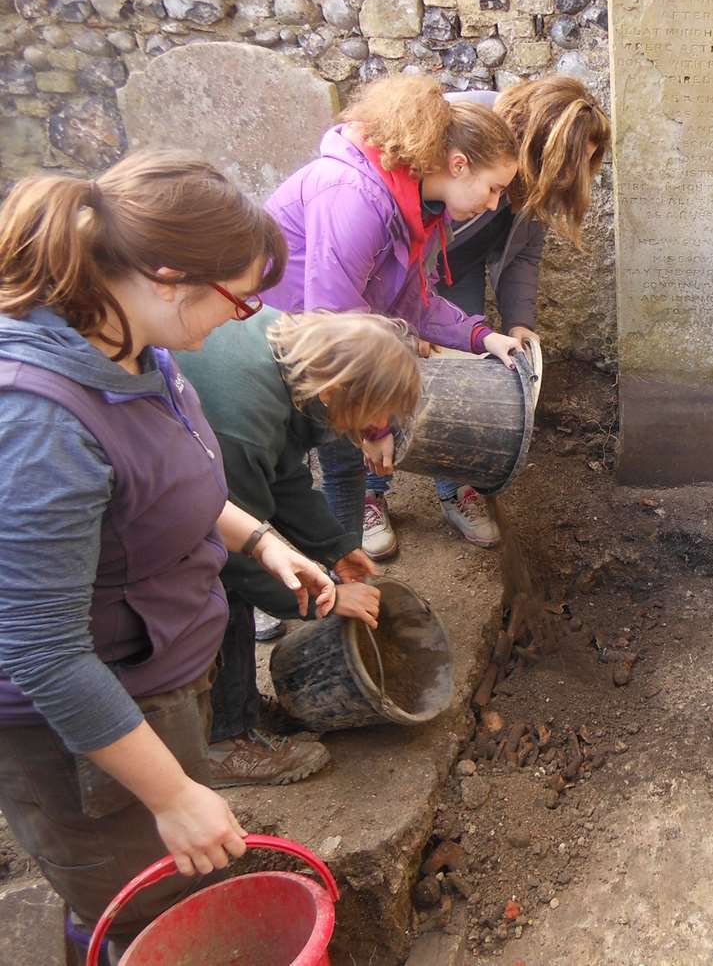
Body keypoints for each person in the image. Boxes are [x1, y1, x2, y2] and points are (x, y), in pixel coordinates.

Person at [0, 152, 336, 964]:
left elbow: (158, 480)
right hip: (82, 732)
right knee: (131, 900)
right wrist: (172, 792)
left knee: (162, 875)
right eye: (240, 297)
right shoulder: (39, 425)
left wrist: (260, 538)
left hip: (150, 679)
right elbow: (41, 650)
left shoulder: (134, 350)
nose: (247, 316)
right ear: (167, 274)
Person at [261, 74, 524, 561]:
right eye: (494, 188)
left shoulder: (415, 205)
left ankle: (343, 572)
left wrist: (483, 337)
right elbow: (335, 326)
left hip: (323, 342)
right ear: (459, 164)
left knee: (340, 464)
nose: (494, 204)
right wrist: (376, 423)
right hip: (281, 339)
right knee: (286, 464)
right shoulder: (354, 197)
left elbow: (410, 300)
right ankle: (269, 582)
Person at [177, 309, 421, 787]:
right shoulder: (241, 419)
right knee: (220, 599)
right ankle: (224, 742)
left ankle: (235, 708)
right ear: (336, 390)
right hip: (147, 523)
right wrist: (326, 597)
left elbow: (283, 473)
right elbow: (226, 547)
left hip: (203, 488)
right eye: (375, 410)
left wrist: (334, 547)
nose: (376, 424)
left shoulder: (288, 353)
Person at [435, 76, 610, 547]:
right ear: (541, 143)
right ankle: (371, 494)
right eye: (573, 162)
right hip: (403, 267)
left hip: (460, 267)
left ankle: (454, 488)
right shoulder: (458, 128)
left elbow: (524, 255)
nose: (576, 175)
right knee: (385, 368)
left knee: (460, 376)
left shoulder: (538, 179)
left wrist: (519, 323)